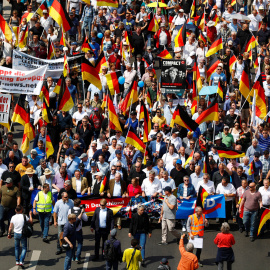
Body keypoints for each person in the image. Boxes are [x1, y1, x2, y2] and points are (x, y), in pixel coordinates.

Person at [67, 199, 88, 264]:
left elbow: (68, 218)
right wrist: (83, 212)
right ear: (79, 204)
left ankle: (73, 257)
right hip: (78, 230)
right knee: (79, 243)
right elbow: (86, 219)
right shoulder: (81, 211)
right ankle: (77, 257)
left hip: (72, 230)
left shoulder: (70, 210)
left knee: (73, 243)